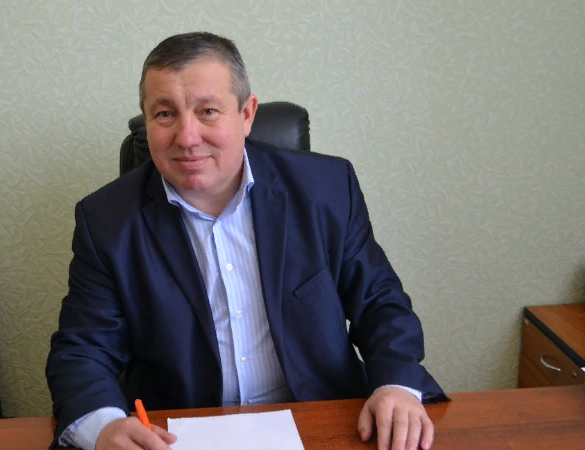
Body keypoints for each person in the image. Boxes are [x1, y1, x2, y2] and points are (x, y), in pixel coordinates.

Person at [47, 31, 447, 450]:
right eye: (164, 114)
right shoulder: (107, 220)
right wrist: (104, 426)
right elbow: (83, 349)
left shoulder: (326, 189)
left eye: (208, 111)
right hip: (181, 434)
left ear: (247, 113)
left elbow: (379, 301)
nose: (187, 137)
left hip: (322, 420)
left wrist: (395, 384)